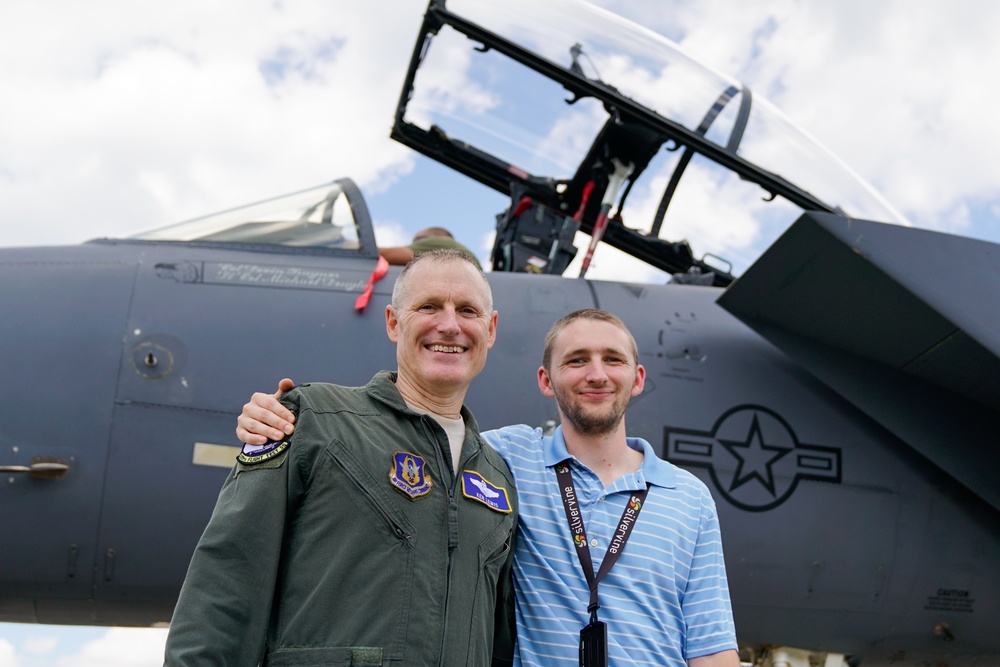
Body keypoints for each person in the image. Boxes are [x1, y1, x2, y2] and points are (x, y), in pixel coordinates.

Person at [238, 309, 740, 667]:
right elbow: (403, 436)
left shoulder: (688, 496)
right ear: (546, 380)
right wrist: (280, 419)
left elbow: (712, 649)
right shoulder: (499, 461)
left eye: (613, 360)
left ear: (638, 378)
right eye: (576, 360)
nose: (596, 374)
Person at [164, 250, 518, 666]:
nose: (449, 325)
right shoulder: (311, 421)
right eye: (428, 306)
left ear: (490, 330)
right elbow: (226, 583)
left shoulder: (498, 477)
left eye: (467, 310)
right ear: (392, 322)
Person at [379, 226, 483, 269]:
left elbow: (389, 255)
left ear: (440, 235)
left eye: (418, 240)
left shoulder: (440, 241)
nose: (417, 243)